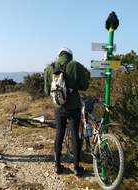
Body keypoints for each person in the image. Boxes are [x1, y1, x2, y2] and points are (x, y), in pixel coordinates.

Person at [44, 47, 90, 178]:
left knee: (59, 133)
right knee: (76, 135)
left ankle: (57, 166)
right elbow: (84, 86)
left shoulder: (50, 67)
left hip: (58, 107)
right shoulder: (75, 65)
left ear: (59, 55)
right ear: (70, 56)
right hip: (74, 106)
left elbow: (47, 90)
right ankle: (77, 169)